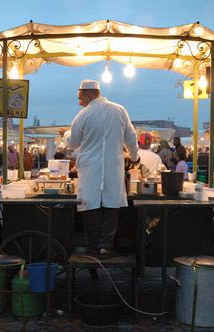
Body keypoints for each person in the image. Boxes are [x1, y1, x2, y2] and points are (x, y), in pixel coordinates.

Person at [60, 79, 139, 257]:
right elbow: (131, 138)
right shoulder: (119, 110)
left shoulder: (83, 115)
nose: (79, 101)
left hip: (90, 168)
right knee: (112, 206)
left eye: (80, 97)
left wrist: (65, 134)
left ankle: (93, 246)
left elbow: (73, 143)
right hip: (113, 166)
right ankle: (105, 246)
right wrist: (135, 157)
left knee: (90, 206)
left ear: (89, 94)